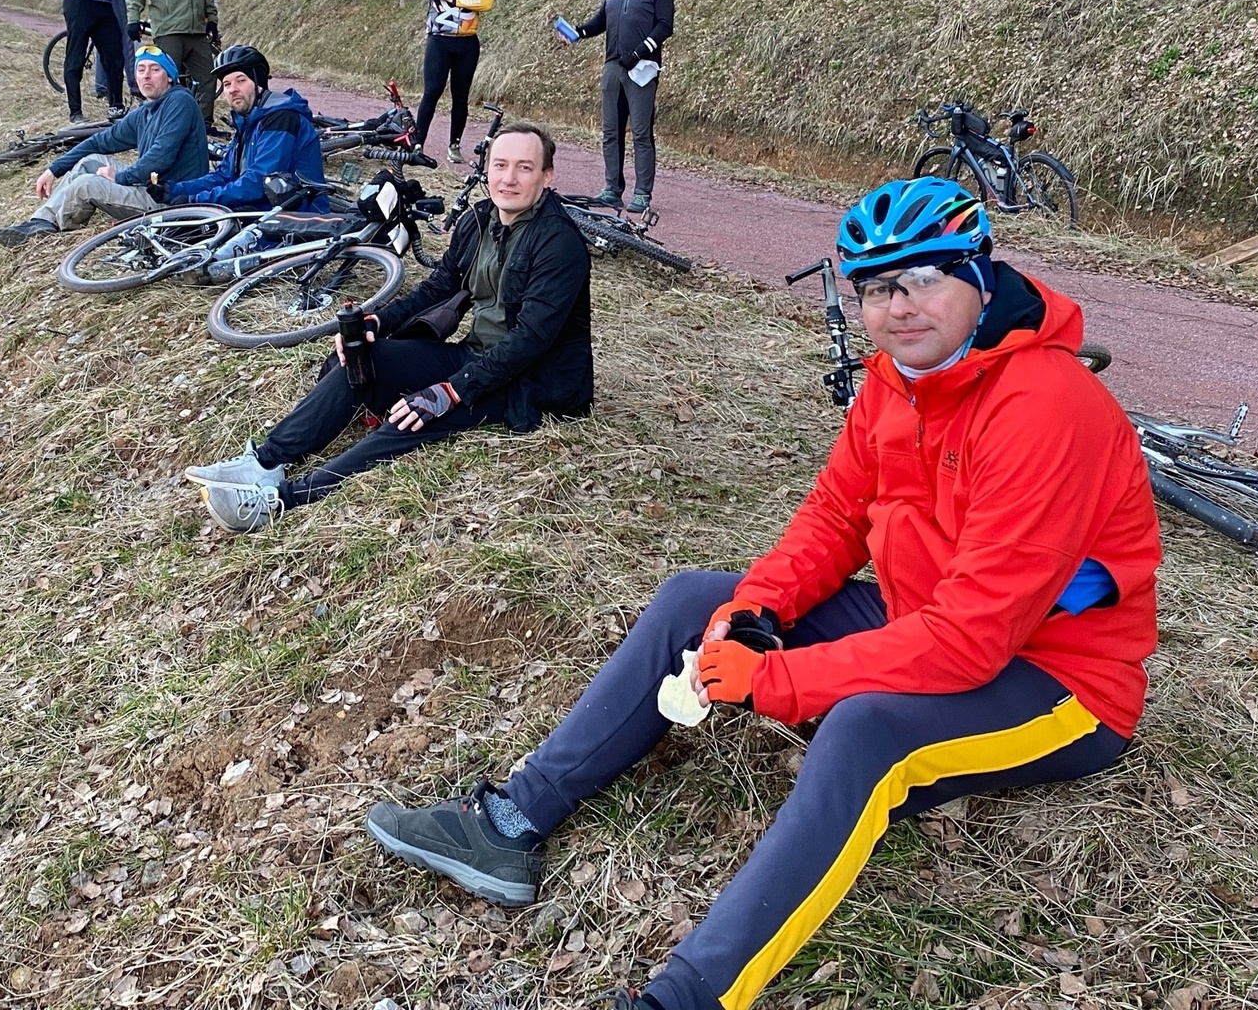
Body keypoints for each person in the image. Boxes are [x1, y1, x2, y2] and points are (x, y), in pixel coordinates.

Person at [363, 176, 1162, 1010]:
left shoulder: (1045, 406)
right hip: (920, 612)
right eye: (877, 288)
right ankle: (509, 826)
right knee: (692, 601)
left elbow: (972, 640)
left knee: (865, 733)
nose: (898, 308)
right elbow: (834, 516)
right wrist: (756, 613)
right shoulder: (899, 377)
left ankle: (691, 997)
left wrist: (774, 681)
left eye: (925, 278)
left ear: (979, 273)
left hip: (1057, 679)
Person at [185, 122, 592, 533]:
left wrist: (450, 390)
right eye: (500, 165)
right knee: (362, 360)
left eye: (524, 168)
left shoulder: (558, 243)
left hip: (533, 382)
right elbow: (439, 286)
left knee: (414, 414)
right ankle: (266, 461)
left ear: (547, 176)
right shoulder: (479, 220)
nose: (508, 178)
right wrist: (376, 322)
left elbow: (531, 340)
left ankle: (282, 501)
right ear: (486, 168)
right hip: (477, 354)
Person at [0, 46, 212, 247]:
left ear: (169, 77)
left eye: (155, 69)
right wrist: (54, 169)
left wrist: (119, 177)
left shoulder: (179, 102)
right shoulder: (144, 112)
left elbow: (160, 156)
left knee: (87, 184)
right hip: (150, 187)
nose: (146, 75)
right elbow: (100, 141)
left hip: (171, 201)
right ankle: (41, 222)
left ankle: (53, 231)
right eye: (141, 69)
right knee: (88, 162)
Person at [566, 0, 673, 212]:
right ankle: (612, 189)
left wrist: (638, 52)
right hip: (612, 66)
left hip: (642, 68)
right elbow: (601, 20)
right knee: (611, 131)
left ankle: (642, 193)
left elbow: (664, 26)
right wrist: (580, 32)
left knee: (640, 131)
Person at [161, 43, 329, 213]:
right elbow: (224, 176)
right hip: (260, 214)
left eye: (241, 80)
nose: (233, 89)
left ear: (259, 83)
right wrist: (174, 189)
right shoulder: (248, 121)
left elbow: (257, 182)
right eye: (226, 84)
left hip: (296, 221)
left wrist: (196, 200)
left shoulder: (282, 118)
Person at [413, 0, 494, 164]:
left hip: (467, 44)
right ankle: (418, 143)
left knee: (461, 97)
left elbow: (487, 2)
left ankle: (454, 145)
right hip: (439, 41)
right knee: (432, 92)